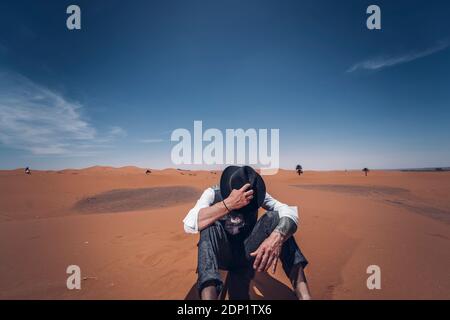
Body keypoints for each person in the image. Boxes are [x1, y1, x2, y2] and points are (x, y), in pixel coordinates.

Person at [183, 165, 311, 300]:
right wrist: (229, 204)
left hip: (247, 253)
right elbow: (189, 223)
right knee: (209, 226)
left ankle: (305, 296)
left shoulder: (256, 194)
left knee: (278, 220)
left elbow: (290, 211)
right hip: (222, 254)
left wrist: (277, 236)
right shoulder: (212, 193)